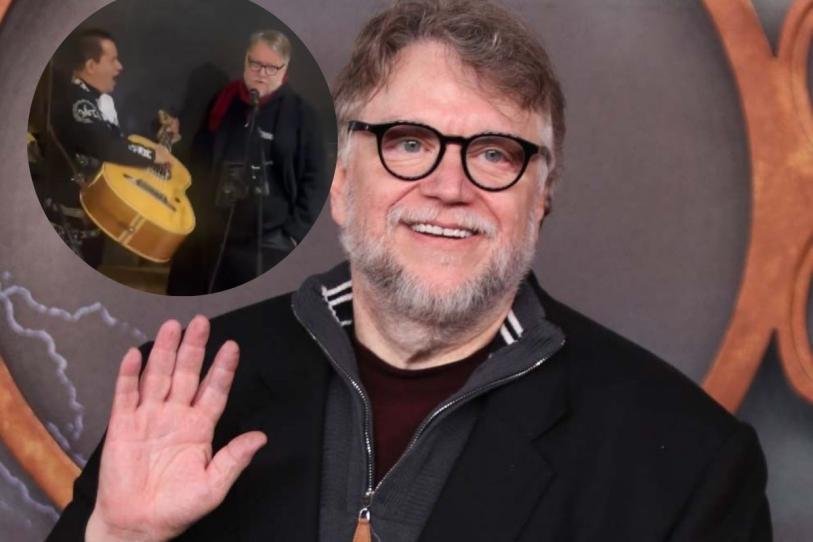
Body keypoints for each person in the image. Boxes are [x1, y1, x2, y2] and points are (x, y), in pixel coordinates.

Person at [49, 1, 771, 540]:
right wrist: (121, 538)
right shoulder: (182, 394)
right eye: (408, 142)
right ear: (341, 181)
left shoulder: (691, 465)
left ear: (542, 198)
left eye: (495, 153)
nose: (448, 187)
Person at [166, 30, 329, 295]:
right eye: (255, 64)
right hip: (210, 231)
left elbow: (316, 180)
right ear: (245, 60)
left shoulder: (302, 115)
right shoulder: (224, 101)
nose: (261, 73)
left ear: (285, 68)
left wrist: (293, 235)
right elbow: (200, 158)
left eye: (271, 67)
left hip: (266, 241)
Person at [44, 29, 176, 267]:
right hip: (69, 223)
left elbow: (114, 141)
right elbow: (105, 146)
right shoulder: (78, 102)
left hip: (92, 216)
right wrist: (151, 154)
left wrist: (158, 142)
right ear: (91, 66)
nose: (120, 67)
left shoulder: (93, 99)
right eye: (113, 60)